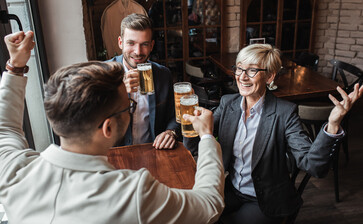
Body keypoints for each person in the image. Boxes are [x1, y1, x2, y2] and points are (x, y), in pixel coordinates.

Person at [0, 31, 225, 223]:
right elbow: (209, 205)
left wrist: (15, 66)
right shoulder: (132, 194)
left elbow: (5, 129)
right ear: (108, 128)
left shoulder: (13, 170)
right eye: (128, 105)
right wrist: (206, 137)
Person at [186, 44, 363, 224]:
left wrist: (333, 124)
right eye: (239, 68)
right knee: (195, 216)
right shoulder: (228, 104)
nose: (242, 76)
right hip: (230, 189)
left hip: (264, 199)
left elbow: (313, 166)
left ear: (270, 76)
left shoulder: (284, 113)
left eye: (252, 70)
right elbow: (191, 145)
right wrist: (187, 125)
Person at [108, 13, 178, 149]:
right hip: (116, 155)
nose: (138, 52)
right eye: (131, 43)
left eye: (144, 44)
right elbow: (90, 122)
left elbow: (174, 116)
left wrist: (171, 132)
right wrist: (120, 91)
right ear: (120, 43)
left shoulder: (163, 74)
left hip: (153, 151)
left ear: (151, 46)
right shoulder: (103, 73)